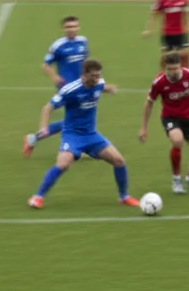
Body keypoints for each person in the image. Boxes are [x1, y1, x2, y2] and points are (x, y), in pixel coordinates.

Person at [28, 59, 139, 210]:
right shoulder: (69, 90)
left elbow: (101, 87)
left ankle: (123, 196)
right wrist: (43, 128)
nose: (97, 79)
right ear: (84, 75)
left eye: (99, 75)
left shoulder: (98, 83)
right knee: (63, 164)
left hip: (91, 135)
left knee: (119, 160)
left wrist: (109, 89)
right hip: (72, 135)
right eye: (94, 76)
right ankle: (37, 197)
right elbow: (47, 107)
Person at [139, 51, 189, 194]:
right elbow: (149, 103)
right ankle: (176, 180)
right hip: (170, 118)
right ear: (165, 68)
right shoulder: (159, 82)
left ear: (181, 66)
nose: (173, 72)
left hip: (188, 118)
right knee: (177, 140)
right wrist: (144, 128)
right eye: (169, 69)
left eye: (176, 68)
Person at [23, 16, 89, 158]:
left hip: (81, 87)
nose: (72, 29)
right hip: (67, 89)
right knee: (77, 119)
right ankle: (76, 147)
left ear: (78, 27)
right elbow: (45, 65)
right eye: (68, 27)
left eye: (74, 26)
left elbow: (85, 61)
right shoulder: (58, 45)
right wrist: (55, 78)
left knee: (75, 120)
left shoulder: (83, 42)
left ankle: (34, 138)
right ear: (63, 29)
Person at [143, 0, 189, 69]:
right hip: (168, 32)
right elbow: (154, 14)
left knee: (186, 53)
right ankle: (162, 75)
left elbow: (187, 13)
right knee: (165, 55)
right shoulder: (162, 0)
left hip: (180, 31)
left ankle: (186, 73)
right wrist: (149, 29)